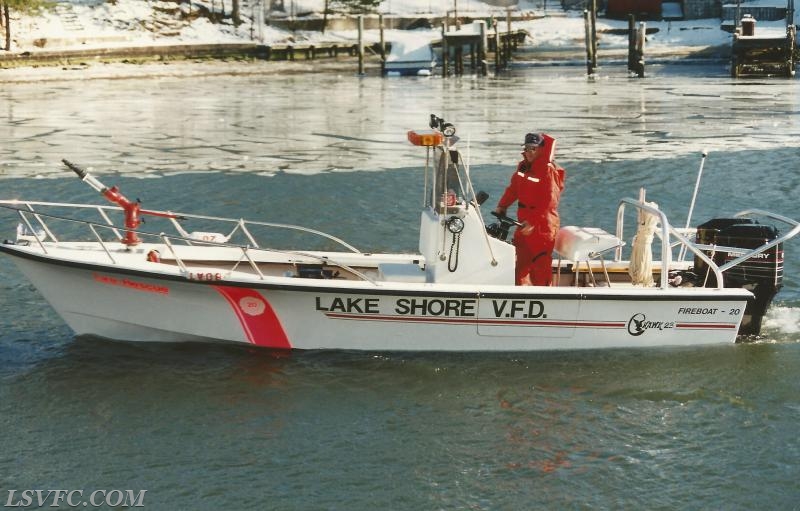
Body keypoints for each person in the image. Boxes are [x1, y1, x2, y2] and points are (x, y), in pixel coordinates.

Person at [494, 132, 566, 286]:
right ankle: (521, 297)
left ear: (541, 149)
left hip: (542, 227)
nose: (530, 152)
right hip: (523, 224)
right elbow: (513, 189)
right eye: (527, 148)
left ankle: (546, 300)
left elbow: (549, 202)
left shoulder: (548, 170)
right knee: (520, 266)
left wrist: (532, 222)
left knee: (540, 268)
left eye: (533, 148)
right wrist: (502, 206)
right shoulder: (524, 167)